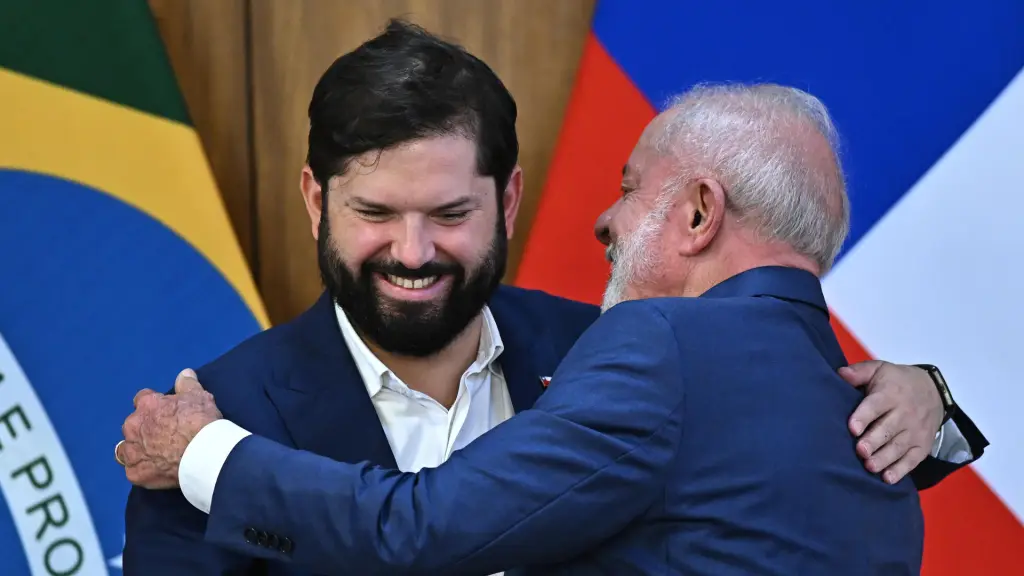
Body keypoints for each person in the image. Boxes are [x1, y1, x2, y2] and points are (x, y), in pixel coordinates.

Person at [119, 21, 986, 576]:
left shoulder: (621, 347)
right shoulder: (214, 418)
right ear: (317, 200)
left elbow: (762, 460)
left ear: (508, 199)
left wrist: (924, 397)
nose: (413, 251)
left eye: (451, 213)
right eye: (375, 213)